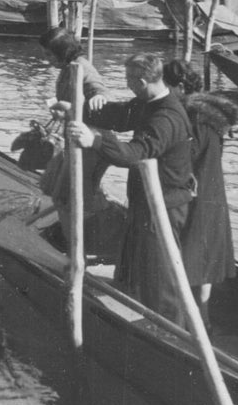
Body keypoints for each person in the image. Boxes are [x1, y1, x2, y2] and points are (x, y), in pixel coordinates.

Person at [68, 53, 194, 325]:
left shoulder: (166, 117)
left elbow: (135, 155)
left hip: (165, 206)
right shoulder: (147, 102)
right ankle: (135, 316)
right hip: (145, 201)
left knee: (160, 276)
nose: (126, 84)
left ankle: (170, 332)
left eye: (128, 80)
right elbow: (121, 115)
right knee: (136, 268)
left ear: (141, 80)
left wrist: (95, 142)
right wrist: (76, 109)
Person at [163, 59, 238, 330]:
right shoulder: (215, 116)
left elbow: (185, 157)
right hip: (214, 189)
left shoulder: (188, 116)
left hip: (194, 191)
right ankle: (203, 313)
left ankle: (185, 316)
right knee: (207, 254)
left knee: (185, 250)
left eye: (166, 86)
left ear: (180, 86)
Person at [38, 28, 110, 244]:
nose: (47, 60)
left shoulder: (82, 69)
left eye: (50, 55)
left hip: (90, 144)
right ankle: (77, 238)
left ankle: (76, 247)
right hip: (76, 142)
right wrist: (64, 111)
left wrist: (97, 98)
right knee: (61, 192)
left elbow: (100, 93)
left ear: (62, 52)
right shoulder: (69, 68)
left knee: (64, 197)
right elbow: (74, 104)